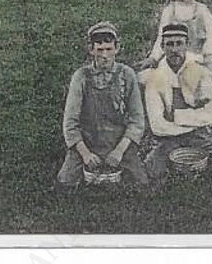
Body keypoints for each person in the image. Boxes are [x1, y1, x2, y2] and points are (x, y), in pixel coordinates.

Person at [55, 21, 150, 191]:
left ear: (117, 48)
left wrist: (119, 151)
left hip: (118, 142)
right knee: (65, 183)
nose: (105, 55)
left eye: (109, 49)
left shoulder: (126, 75)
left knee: (141, 184)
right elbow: (70, 123)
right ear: (91, 50)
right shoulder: (81, 77)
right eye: (99, 50)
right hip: (89, 142)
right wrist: (85, 153)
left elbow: (137, 120)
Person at [142, 24, 212, 178]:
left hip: (199, 135)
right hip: (168, 138)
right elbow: (157, 126)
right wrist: (193, 118)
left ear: (187, 45)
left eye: (179, 43)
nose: (174, 50)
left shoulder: (203, 73)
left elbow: (209, 116)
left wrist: (175, 116)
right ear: (162, 47)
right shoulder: (155, 77)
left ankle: (197, 169)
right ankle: (185, 167)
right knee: (151, 170)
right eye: (169, 44)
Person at [147, 0, 212, 83]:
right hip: (174, 54)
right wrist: (154, 57)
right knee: (155, 78)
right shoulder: (169, 10)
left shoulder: (201, 9)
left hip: (197, 55)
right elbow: (161, 37)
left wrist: (207, 51)